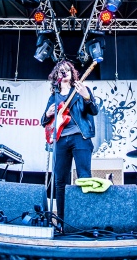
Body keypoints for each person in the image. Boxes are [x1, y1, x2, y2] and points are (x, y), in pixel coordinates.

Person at [40, 59, 98, 227]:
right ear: (57, 76)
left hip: (80, 137)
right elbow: (44, 121)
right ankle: (62, 221)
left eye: (67, 70)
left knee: (84, 177)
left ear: (72, 74)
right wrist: (48, 114)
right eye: (61, 70)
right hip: (60, 140)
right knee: (60, 181)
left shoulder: (80, 90)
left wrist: (87, 97)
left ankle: (85, 220)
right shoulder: (54, 96)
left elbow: (93, 111)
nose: (64, 72)